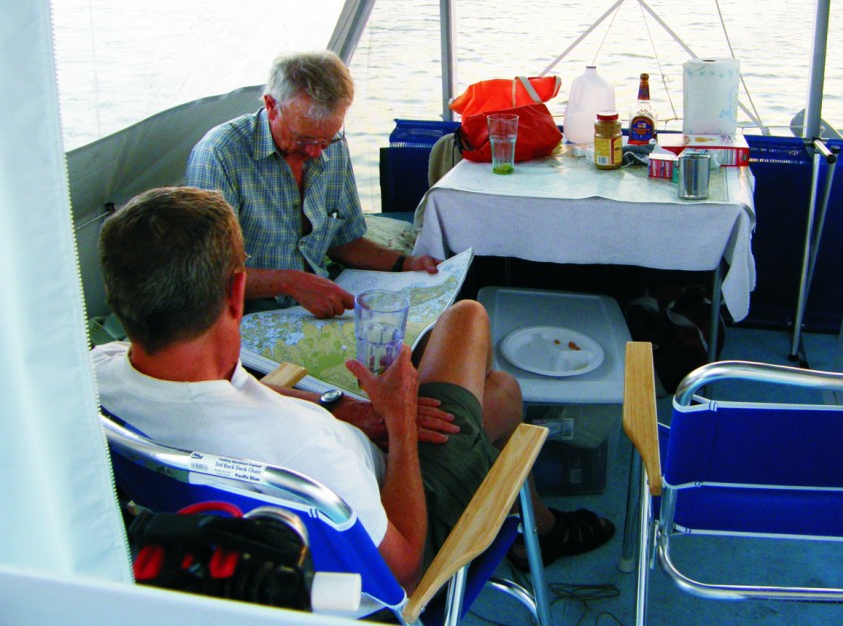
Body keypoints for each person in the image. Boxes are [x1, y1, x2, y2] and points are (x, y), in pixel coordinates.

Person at [92, 187, 613, 590]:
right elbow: (404, 568)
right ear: (237, 292)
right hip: (393, 534)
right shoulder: (301, 446)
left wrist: (347, 408)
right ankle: (538, 532)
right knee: (472, 327)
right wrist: (401, 423)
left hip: (240, 545)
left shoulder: (96, 375)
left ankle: (537, 522)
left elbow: (237, 394)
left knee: (490, 391)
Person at [185, 50, 439, 319]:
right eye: (304, 139)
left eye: (326, 140)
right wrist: (293, 283)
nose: (316, 152)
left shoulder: (334, 147)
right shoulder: (219, 154)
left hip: (318, 296)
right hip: (247, 311)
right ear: (271, 106)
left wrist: (406, 263)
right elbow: (207, 278)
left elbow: (345, 241)